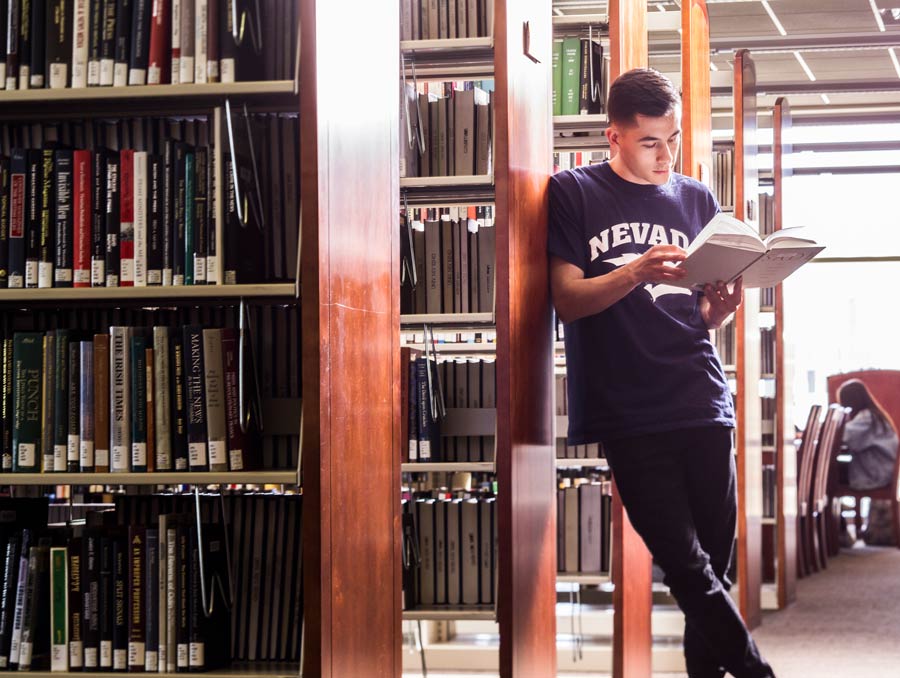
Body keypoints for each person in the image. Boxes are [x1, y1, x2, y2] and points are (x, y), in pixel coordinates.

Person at [547, 68, 775, 678]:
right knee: (686, 566)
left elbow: (694, 313)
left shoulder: (697, 198)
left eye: (671, 139)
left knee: (715, 574)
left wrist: (717, 312)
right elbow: (567, 299)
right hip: (630, 411)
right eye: (651, 141)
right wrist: (635, 271)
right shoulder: (572, 192)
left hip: (702, 399)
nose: (665, 155)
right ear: (613, 135)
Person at [838, 379, 898, 492]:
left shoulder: (866, 417)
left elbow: (842, 436)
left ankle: (824, 505)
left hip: (877, 474)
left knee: (827, 473)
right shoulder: (874, 414)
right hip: (884, 470)